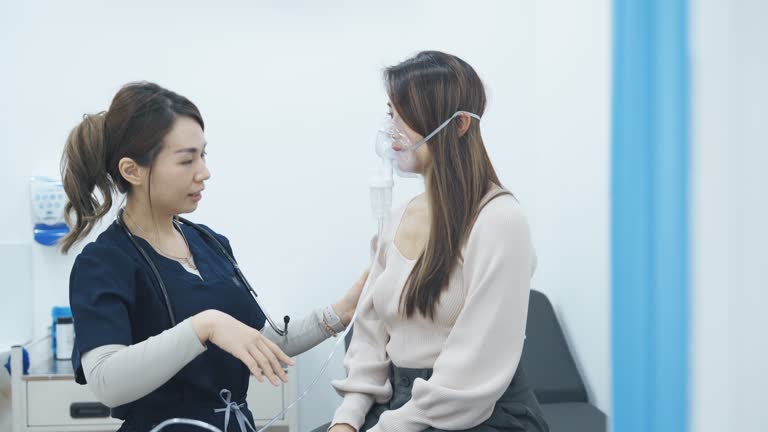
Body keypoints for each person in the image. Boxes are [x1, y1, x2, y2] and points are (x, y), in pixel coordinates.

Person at [60, 81, 367, 431]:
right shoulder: (105, 263)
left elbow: (252, 341)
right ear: (133, 170)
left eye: (203, 155)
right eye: (187, 160)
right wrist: (204, 326)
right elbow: (107, 381)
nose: (204, 172)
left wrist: (340, 313)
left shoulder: (210, 243)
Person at [317, 51, 548, 432]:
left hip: (480, 412)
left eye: (407, 113)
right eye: (391, 113)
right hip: (401, 406)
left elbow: (469, 375)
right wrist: (347, 420)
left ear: (458, 125)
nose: (393, 129)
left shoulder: (499, 221)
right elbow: (370, 339)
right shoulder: (394, 219)